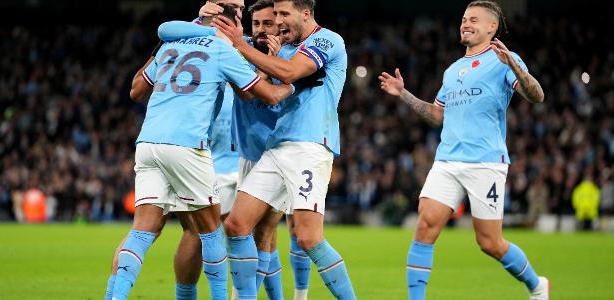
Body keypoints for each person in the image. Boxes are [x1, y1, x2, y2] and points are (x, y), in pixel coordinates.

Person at [108, 5, 308, 300]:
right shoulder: (224, 49)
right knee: (211, 232)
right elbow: (256, 94)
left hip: (148, 142)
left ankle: (115, 296)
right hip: (191, 146)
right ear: (235, 20)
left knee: (143, 231)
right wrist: (293, 84)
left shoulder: (170, 44)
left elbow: (137, 91)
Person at [379, 1, 549, 299]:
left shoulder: (503, 60)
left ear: (491, 27)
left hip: (485, 162)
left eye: (473, 19)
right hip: (447, 160)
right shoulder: (452, 70)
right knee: (425, 226)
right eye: (463, 19)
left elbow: (536, 95)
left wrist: (514, 67)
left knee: (490, 243)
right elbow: (437, 115)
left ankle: (536, 285)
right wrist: (403, 93)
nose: (465, 24)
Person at [210, 0, 356, 298]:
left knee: (307, 237)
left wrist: (241, 45)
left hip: (310, 146)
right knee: (236, 225)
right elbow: (265, 90)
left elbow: (289, 73)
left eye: (284, 14)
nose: (277, 21)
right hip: (277, 146)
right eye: (274, 15)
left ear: (305, 13)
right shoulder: (283, 48)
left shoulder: (326, 40)